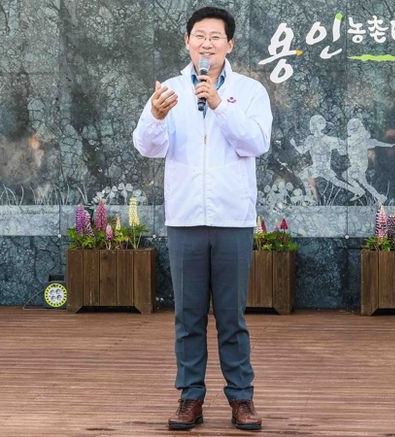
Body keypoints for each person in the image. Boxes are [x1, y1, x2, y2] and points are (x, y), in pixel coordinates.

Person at [132, 6, 271, 431]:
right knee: (188, 316)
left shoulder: (249, 91)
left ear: (230, 44)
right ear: (187, 42)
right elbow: (147, 147)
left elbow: (256, 143)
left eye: (215, 37)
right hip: (185, 217)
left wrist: (218, 103)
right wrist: (155, 116)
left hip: (232, 219)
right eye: (199, 36)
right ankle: (190, 397)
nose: (206, 44)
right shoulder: (169, 91)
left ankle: (241, 398)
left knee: (231, 317)